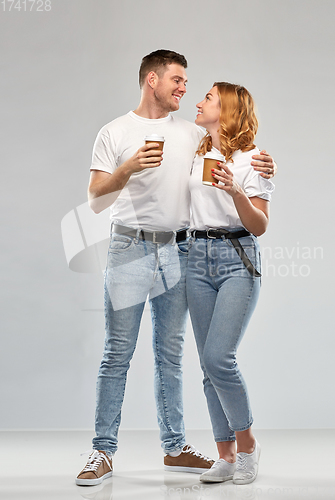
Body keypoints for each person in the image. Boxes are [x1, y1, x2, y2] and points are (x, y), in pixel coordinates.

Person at [76, 50, 276, 486]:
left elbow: (239, 159)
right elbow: (94, 199)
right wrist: (127, 169)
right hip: (129, 247)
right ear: (152, 80)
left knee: (173, 354)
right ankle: (102, 451)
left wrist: (265, 165)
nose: (185, 89)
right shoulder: (114, 131)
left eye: (189, 85)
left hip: (182, 251)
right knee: (117, 354)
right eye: (177, 80)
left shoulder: (193, 135)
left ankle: (175, 447)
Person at [186, 82, 274, 485]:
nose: (198, 102)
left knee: (220, 357)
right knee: (208, 365)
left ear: (227, 109)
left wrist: (235, 189)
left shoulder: (254, 159)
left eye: (207, 98)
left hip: (237, 257)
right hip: (196, 258)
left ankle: (248, 445)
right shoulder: (196, 150)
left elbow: (259, 225)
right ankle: (225, 455)